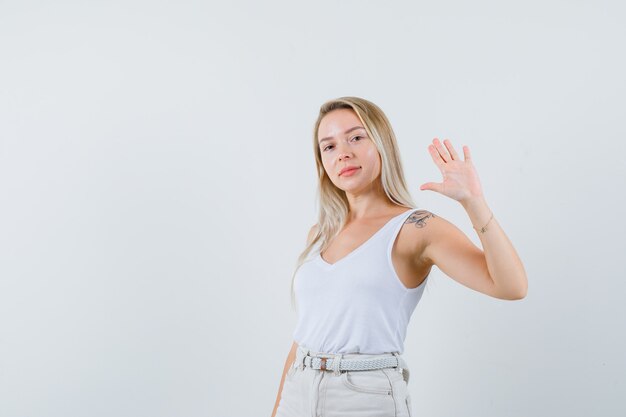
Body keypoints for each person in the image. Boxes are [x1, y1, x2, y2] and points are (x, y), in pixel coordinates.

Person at [270, 96, 527, 417]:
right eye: (329, 147)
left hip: (363, 396)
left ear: (382, 144)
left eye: (356, 137)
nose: (343, 153)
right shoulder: (319, 233)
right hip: (299, 389)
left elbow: (511, 286)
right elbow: (303, 335)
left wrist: (473, 201)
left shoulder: (416, 228)